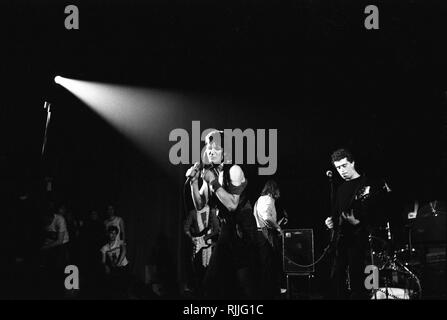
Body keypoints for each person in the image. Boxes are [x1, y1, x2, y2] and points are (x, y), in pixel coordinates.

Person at [186, 130, 257, 299]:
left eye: (215, 148)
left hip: (242, 228)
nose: (210, 151)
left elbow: (232, 204)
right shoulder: (212, 174)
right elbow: (199, 204)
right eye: (208, 147)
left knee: (244, 282)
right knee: (212, 282)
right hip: (227, 229)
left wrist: (212, 182)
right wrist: (194, 183)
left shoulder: (234, 170)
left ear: (226, 152)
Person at [324, 148, 384, 300]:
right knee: (339, 278)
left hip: (362, 239)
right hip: (343, 241)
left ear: (352, 163)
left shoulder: (365, 184)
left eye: (344, 166)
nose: (341, 171)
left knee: (360, 280)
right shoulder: (340, 189)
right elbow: (337, 214)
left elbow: (376, 213)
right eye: (338, 168)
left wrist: (358, 222)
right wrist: (331, 222)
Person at [253, 180, 283, 299]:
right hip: (266, 234)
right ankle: (270, 292)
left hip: (260, 233)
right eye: (278, 190)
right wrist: (278, 227)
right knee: (269, 263)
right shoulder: (268, 199)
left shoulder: (260, 199)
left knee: (265, 263)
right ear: (273, 189)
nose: (279, 193)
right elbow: (266, 217)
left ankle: (265, 291)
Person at [183, 205, 220, 297]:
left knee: (210, 271)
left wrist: (206, 238)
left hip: (210, 245)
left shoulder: (212, 211)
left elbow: (216, 230)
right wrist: (193, 239)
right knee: (199, 271)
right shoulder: (193, 213)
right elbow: (186, 228)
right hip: (198, 246)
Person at [100, 225, 130, 298]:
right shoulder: (105, 247)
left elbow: (124, 251)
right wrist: (105, 266)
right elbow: (103, 261)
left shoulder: (120, 242)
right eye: (111, 233)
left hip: (124, 267)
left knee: (124, 289)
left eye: (114, 233)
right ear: (108, 234)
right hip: (115, 269)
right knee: (115, 289)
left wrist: (118, 263)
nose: (113, 235)